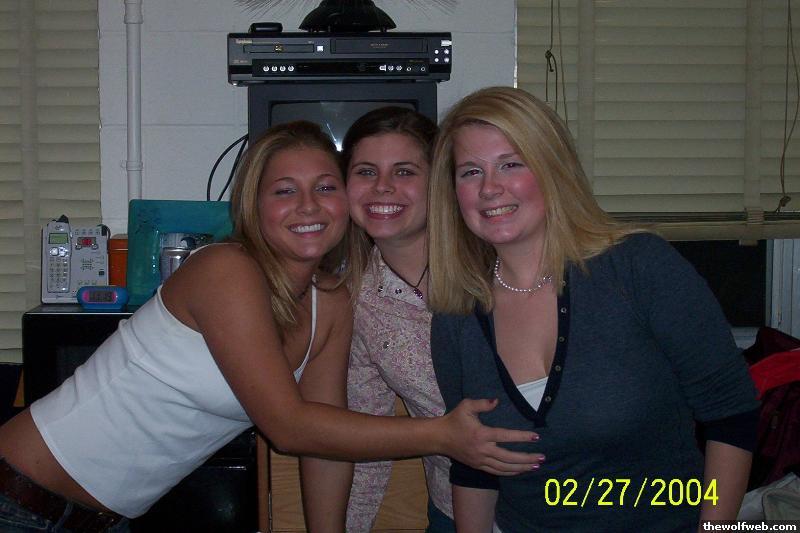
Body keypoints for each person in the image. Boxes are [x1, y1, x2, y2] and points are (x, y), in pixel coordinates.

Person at [0, 121, 544, 533]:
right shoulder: (225, 270)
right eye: (284, 191)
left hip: (103, 517)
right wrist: (442, 435)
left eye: (324, 188)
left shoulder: (331, 300)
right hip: (19, 497)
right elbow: (289, 426)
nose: (308, 207)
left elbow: (324, 438)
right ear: (253, 204)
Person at [426, 87, 760, 532]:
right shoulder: (456, 316)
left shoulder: (638, 268)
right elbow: (475, 466)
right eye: (471, 172)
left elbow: (732, 415)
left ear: (552, 169)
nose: (489, 188)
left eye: (511, 164)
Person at [341, 107, 455, 532]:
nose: (382, 187)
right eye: (366, 172)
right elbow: (369, 443)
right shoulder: (360, 303)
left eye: (404, 171)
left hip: (565, 497)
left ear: (438, 182)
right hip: (454, 508)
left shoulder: (492, 267)